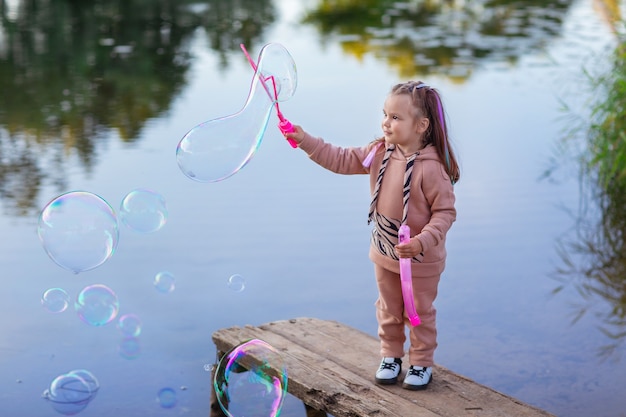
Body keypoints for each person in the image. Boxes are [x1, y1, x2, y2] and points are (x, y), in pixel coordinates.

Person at [283, 80, 459, 390]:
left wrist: (421, 240)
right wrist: (305, 140)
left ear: (422, 125)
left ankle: (420, 362)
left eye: (395, 117)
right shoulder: (379, 153)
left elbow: (445, 214)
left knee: (418, 312)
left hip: (421, 258)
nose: (386, 123)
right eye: (385, 114)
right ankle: (391, 355)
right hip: (384, 250)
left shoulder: (432, 169)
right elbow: (340, 158)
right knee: (388, 307)